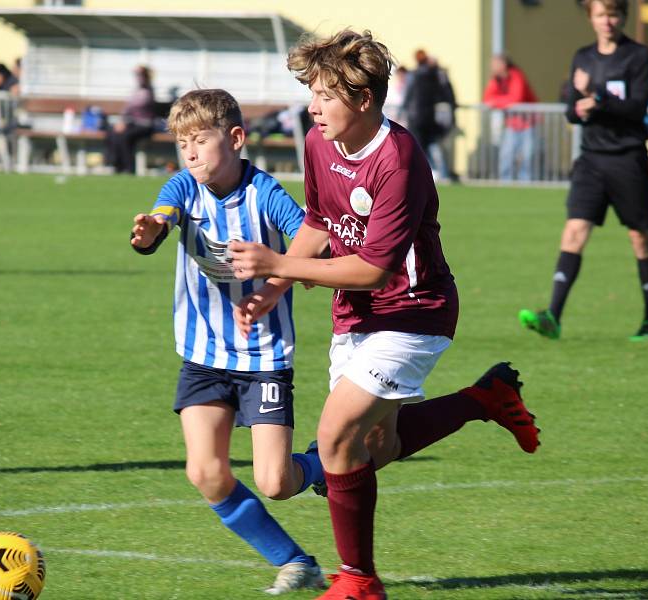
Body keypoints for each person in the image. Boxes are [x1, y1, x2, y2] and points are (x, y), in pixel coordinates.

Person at [228, 30, 540, 599]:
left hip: (415, 312)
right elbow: (320, 224)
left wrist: (276, 262)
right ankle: (484, 398)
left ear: (364, 99)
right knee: (377, 449)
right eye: (312, 93)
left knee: (334, 436)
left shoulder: (399, 160)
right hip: (357, 316)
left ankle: (358, 581)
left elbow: (373, 268)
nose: (312, 106)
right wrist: (275, 284)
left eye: (325, 95)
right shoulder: (319, 142)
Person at [129, 88, 326, 595]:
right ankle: (295, 563)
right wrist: (151, 230)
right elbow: (164, 214)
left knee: (276, 483)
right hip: (203, 356)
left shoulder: (265, 193)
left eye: (200, 140)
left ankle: (324, 463)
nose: (190, 153)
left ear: (236, 138)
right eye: (182, 143)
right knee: (205, 471)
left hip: (263, 357)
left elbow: (310, 236)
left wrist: (281, 280)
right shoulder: (183, 187)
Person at [519, 0, 648, 341]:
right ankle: (553, 316)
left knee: (639, 237)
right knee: (574, 232)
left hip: (628, 159)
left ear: (623, 17)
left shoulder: (638, 56)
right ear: (591, 19)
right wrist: (579, 107)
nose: (607, 21)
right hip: (591, 161)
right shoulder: (583, 57)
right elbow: (570, 112)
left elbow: (639, 106)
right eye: (600, 14)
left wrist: (596, 97)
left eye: (613, 14)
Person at [483, 55, 538, 181]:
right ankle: (505, 182)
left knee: (527, 156)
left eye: (495, 63)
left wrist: (497, 102)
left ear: (503, 64)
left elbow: (516, 99)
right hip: (512, 123)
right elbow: (487, 99)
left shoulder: (516, 75)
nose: (492, 67)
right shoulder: (496, 79)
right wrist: (504, 102)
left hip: (528, 122)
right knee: (506, 155)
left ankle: (526, 182)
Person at [105, 65, 156, 174]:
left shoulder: (147, 91)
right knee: (112, 131)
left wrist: (123, 121)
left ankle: (129, 167)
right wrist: (121, 122)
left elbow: (133, 107)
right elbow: (127, 110)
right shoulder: (137, 90)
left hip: (145, 126)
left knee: (125, 136)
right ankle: (115, 164)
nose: (138, 77)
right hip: (132, 123)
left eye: (140, 75)